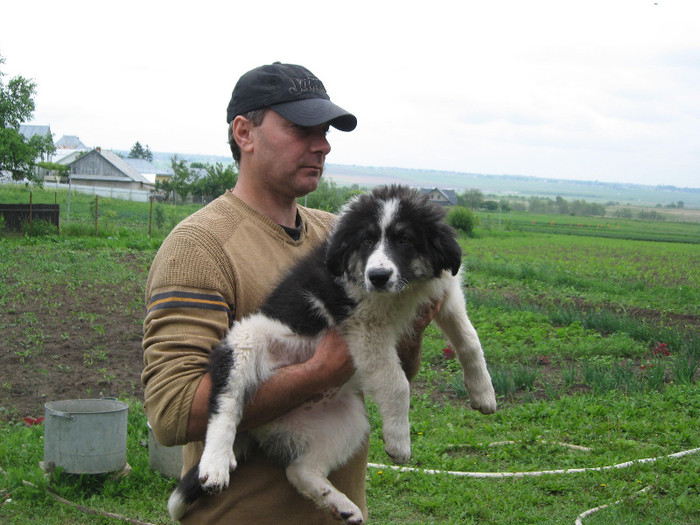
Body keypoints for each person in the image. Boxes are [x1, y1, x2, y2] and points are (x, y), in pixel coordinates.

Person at [142, 62, 433, 524]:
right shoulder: (198, 247)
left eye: (324, 131)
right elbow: (173, 411)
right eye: (301, 128)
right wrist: (319, 371)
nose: (322, 144)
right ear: (244, 133)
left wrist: (415, 319)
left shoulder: (345, 236)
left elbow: (396, 370)